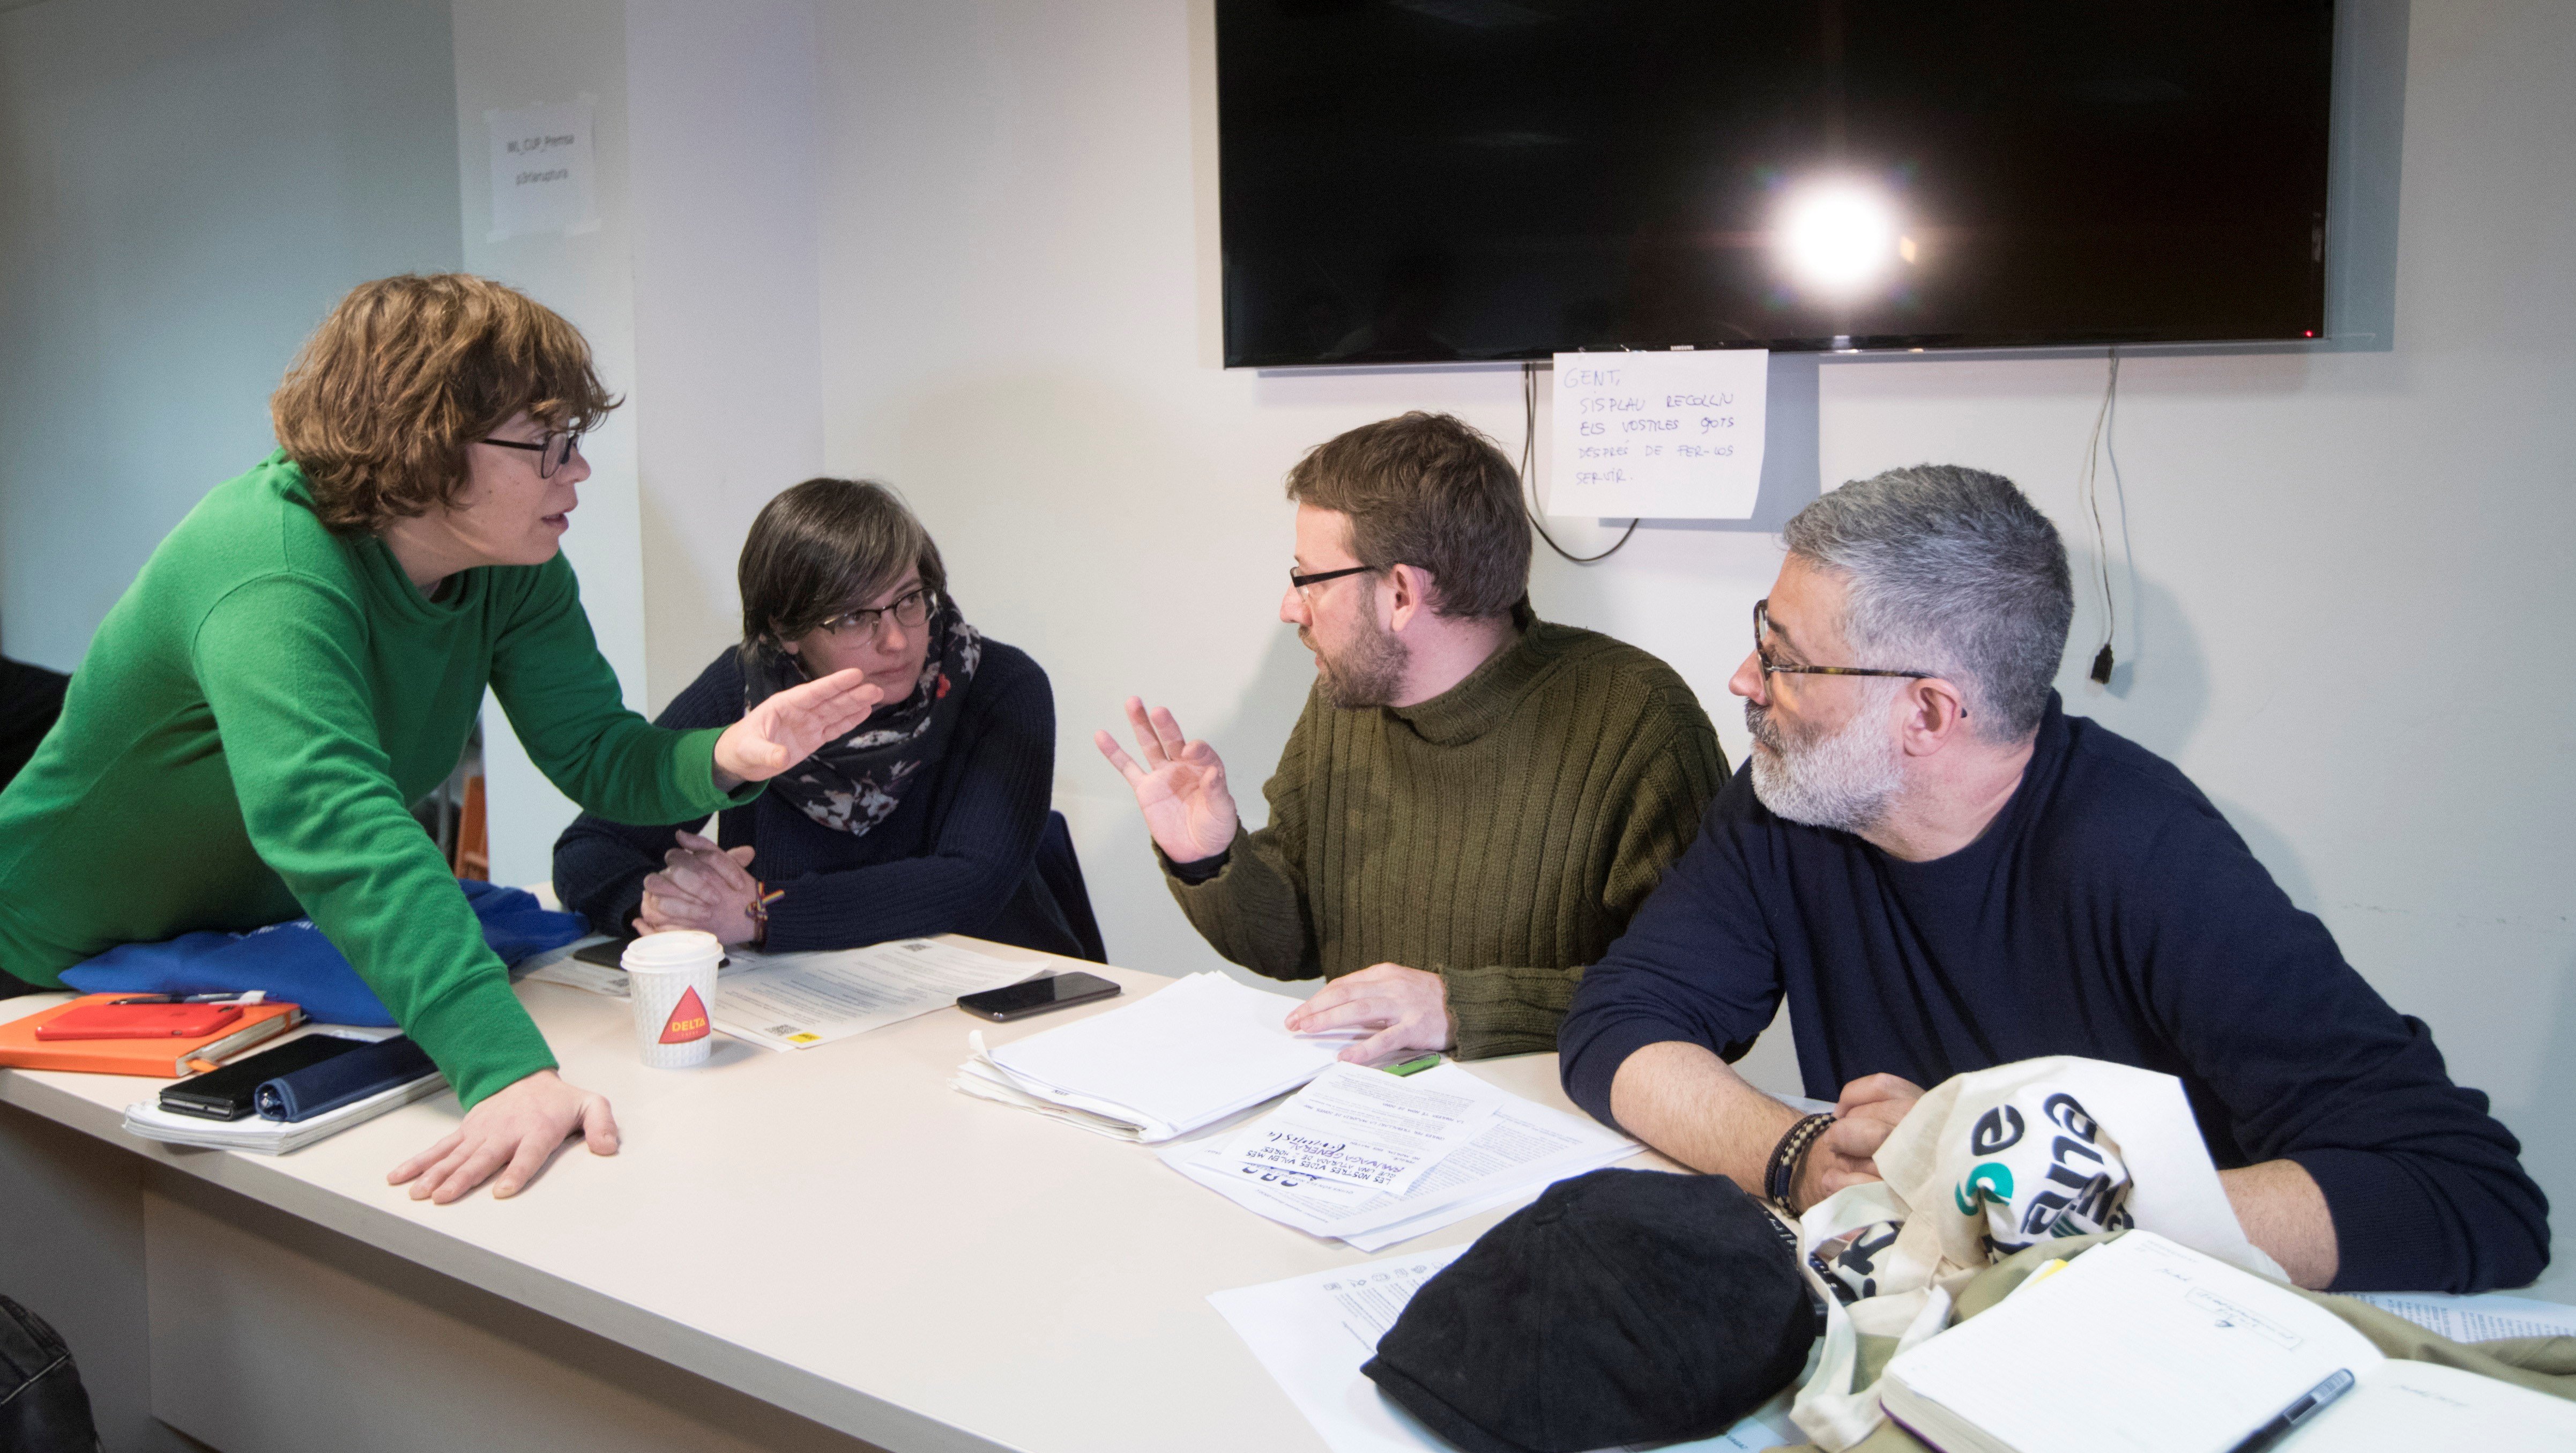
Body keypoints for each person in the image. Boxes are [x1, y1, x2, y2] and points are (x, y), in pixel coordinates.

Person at [1559, 464, 2549, 1294]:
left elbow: (2469, 1191)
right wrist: (1799, 1154)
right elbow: (1619, 1025)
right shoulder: (1790, 797)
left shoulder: (2147, 852)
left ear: (1929, 713)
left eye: (1785, 658)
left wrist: (2020, 1185)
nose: (1743, 677)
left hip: (2142, 1340)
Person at [0, 275, 880, 1204]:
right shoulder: (267, 564)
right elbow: (337, 824)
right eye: (548, 444)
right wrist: (504, 1068)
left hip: (235, 959)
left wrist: (724, 757)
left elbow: (592, 750)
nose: (576, 470)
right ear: (424, 444)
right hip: (46, 967)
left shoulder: (512, 564)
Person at [1096, 410, 1726, 1065]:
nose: (1290, 608)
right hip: (1373, 1114)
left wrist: (1463, 1008)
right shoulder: (1348, 701)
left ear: (1400, 593)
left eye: (1307, 579)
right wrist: (1211, 859)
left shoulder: (1638, 718)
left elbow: (1705, 997)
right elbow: (1293, 944)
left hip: (1557, 1133)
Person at [553, 479, 1101, 959]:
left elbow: (969, 883)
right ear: (788, 632)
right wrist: (664, 909)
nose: (898, 639)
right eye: (856, 617)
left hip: (995, 999)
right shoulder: (748, 689)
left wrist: (760, 914)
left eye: (911, 600)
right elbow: (589, 848)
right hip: (810, 1006)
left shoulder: (1001, 685)